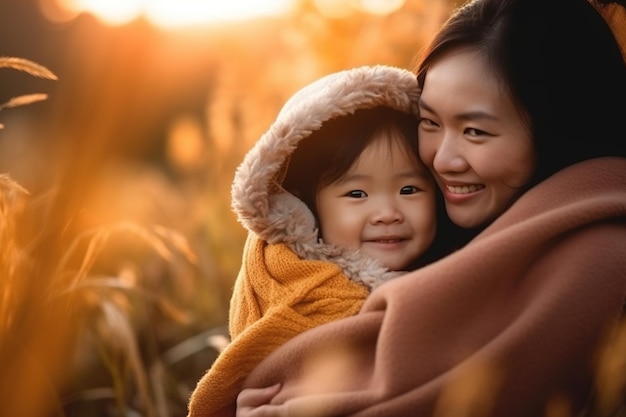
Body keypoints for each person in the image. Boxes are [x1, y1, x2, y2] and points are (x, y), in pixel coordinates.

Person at [232, 0, 626, 416]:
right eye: (430, 122)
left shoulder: (596, 250)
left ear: (558, 131)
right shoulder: (439, 228)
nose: (442, 160)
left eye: (475, 131)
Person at [187, 65, 448, 417]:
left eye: (409, 189)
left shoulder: (457, 270)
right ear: (304, 209)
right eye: (357, 193)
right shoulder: (293, 287)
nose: (387, 212)